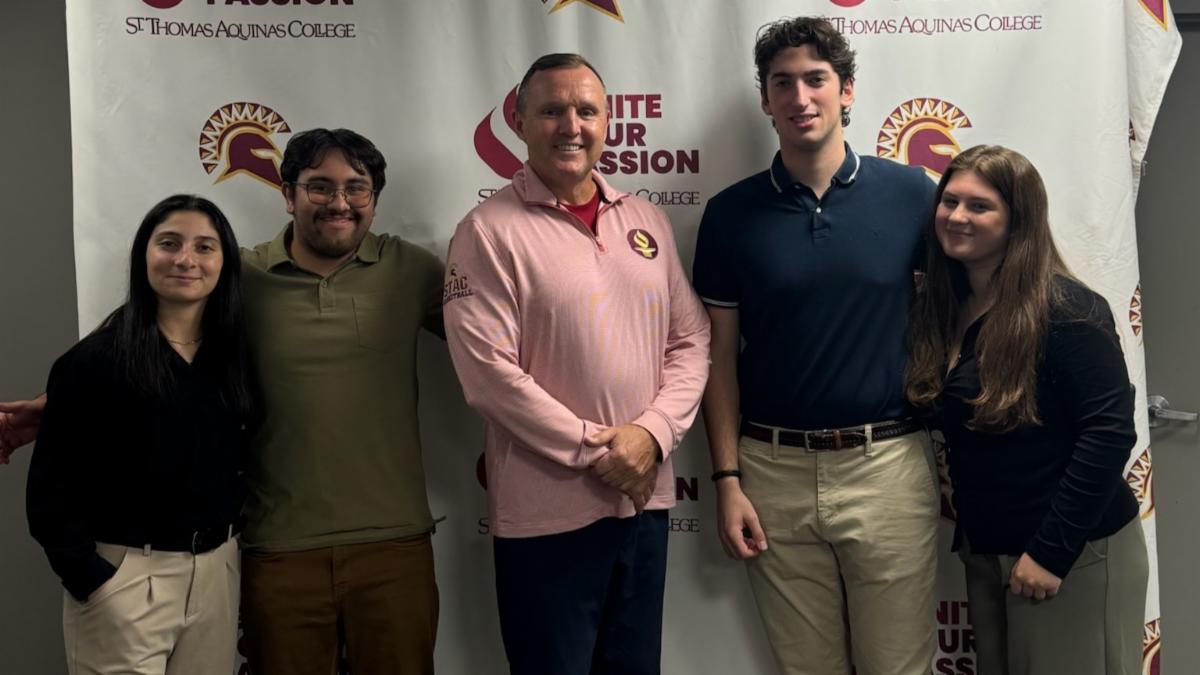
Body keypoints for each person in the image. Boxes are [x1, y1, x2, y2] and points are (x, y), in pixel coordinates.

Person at [7, 128, 445, 675]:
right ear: (287, 194)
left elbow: (498, 344)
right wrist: (65, 400)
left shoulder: (415, 272)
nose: (339, 202)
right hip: (275, 548)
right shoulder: (242, 277)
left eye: (356, 188)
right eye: (320, 187)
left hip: (392, 543)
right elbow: (156, 344)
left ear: (375, 199)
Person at [442, 53, 710, 675]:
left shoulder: (645, 220)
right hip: (547, 517)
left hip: (643, 507)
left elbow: (691, 338)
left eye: (586, 110)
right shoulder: (486, 232)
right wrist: (607, 453)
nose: (571, 125)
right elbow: (488, 375)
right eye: (552, 110)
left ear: (609, 121)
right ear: (519, 121)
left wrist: (651, 436)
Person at [691, 17, 939, 675]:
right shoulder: (729, 214)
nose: (800, 97)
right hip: (771, 471)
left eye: (816, 80)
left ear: (847, 91)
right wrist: (726, 479)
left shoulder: (914, 195)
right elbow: (718, 362)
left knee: (899, 667)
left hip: (888, 464)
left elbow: (962, 312)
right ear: (766, 100)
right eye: (782, 83)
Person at [905, 144, 1147, 675]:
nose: (957, 217)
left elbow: (1107, 435)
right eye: (949, 201)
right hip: (990, 553)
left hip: (1073, 554)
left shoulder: (1067, 311)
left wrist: (1051, 553)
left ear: (1019, 221)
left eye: (980, 206)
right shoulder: (944, 310)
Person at [26, 194, 253, 675]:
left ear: (225, 262)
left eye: (205, 247)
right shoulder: (92, 363)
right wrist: (94, 581)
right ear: (143, 254)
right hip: (128, 578)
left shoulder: (234, 360)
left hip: (218, 574)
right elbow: (49, 494)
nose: (186, 259)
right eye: (169, 243)